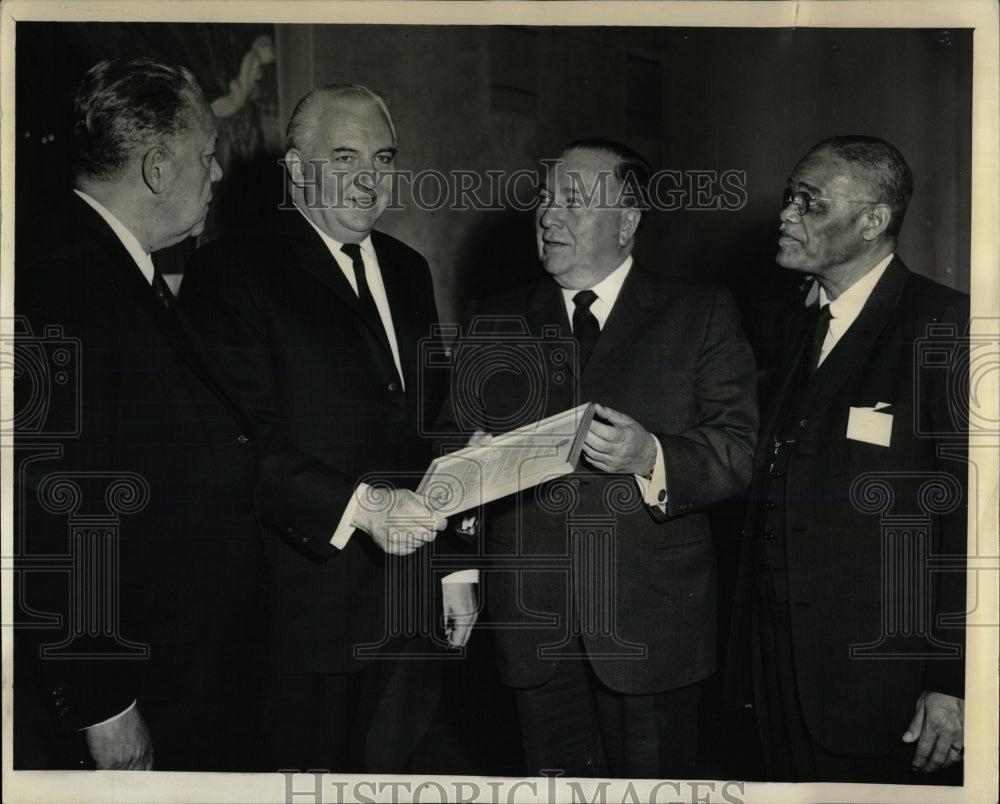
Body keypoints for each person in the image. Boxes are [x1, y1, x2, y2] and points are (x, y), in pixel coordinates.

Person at [437, 139, 758, 778]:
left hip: (653, 630)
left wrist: (653, 455)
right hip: (533, 627)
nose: (549, 217)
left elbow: (739, 450)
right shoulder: (494, 317)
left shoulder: (700, 314)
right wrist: (459, 560)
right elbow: (450, 445)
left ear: (628, 220)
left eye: (574, 202)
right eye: (545, 201)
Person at [179, 83, 476, 773]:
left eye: (383, 157)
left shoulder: (408, 269)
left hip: (410, 611)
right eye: (344, 158)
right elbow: (237, 445)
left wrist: (457, 566)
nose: (369, 179)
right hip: (299, 622)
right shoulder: (235, 270)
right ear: (295, 168)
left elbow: (436, 424)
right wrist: (363, 510)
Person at [14, 57, 263, 771]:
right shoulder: (61, 283)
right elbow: (54, 515)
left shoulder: (116, 268)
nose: (216, 176)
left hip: (182, 673)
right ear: (158, 168)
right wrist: (104, 706)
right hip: (134, 692)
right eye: (207, 156)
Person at [726, 135, 968, 784]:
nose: (786, 215)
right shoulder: (791, 323)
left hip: (879, 684)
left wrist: (954, 681)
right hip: (777, 673)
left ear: (872, 221)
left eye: (810, 202)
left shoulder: (943, 327)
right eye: (789, 198)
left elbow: (974, 526)